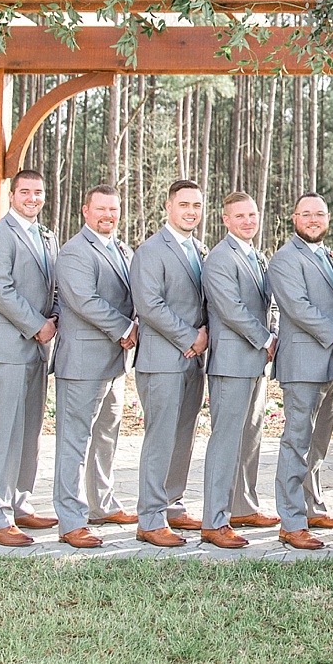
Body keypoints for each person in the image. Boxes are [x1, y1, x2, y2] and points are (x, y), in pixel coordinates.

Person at [0, 169, 60, 547]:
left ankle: (20, 503)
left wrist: (54, 318)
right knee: (6, 432)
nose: (32, 198)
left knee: (30, 431)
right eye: (25, 192)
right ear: (12, 195)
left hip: (38, 348)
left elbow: (55, 286)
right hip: (7, 348)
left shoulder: (47, 237)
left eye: (38, 192)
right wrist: (37, 325)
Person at [51, 184, 138, 548]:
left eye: (113, 209)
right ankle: (71, 520)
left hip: (114, 361)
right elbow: (84, 301)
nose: (108, 215)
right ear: (85, 211)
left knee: (106, 436)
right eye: (100, 209)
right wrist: (127, 329)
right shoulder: (74, 251)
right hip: (83, 362)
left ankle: (102, 505)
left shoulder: (122, 249)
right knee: (75, 441)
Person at [265, 193, 333, 549]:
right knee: (296, 442)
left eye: (319, 214)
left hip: (332, 363)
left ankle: (312, 506)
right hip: (302, 364)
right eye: (306, 214)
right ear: (294, 218)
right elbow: (297, 307)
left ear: (328, 218)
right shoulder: (285, 259)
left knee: (318, 443)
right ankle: (291, 521)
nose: (313, 219)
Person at [129, 179, 210, 547]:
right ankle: (149, 518)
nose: (191, 212)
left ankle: (172, 505)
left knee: (183, 436)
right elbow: (150, 305)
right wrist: (189, 337)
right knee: (160, 438)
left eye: (196, 205)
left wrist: (204, 335)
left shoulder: (199, 249)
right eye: (184, 205)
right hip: (162, 359)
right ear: (168, 206)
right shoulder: (150, 251)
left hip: (193, 360)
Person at [197, 192, 278, 549]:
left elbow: (268, 303)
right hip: (231, 362)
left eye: (252, 215)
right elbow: (230, 309)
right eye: (239, 216)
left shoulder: (256, 255)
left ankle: (243, 506)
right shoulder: (220, 258)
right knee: (226, 441)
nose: (247, 221)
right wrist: (266, 339)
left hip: (256, 361)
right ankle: (214, 521)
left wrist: (272, 334)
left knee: (251, 437)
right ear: (225, 220)